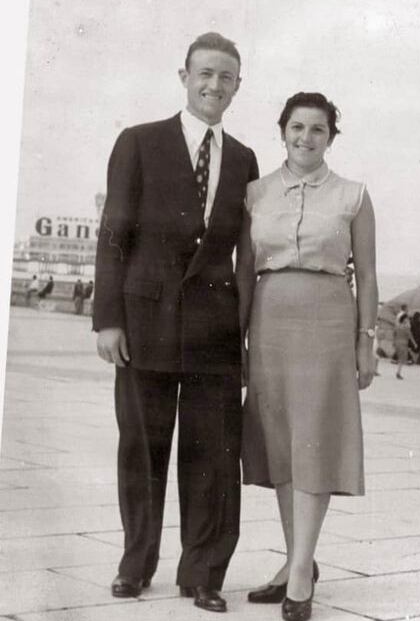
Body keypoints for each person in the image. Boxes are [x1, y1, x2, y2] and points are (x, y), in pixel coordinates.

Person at [93, 32, 258, 613]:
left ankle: (203, 572)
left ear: (239, 86)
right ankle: (136, 563)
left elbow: (243, 254)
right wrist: (107, 319)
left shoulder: (243, 159)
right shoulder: (138, 142)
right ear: (184, 76)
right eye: (206, 73)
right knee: (141, 447)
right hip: (143, 322)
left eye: (227, 78)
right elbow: (114, 235)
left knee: (213, 454)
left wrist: (243, 335)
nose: (215, 85)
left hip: (214, 331)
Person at [237, 92, 378, 621]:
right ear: (282, 131)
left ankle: (299, 575)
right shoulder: (255, 193)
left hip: (327, 324)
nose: (306, 138)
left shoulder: (353, 196)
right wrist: (240, 342)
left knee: (314, 443)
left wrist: (366, 343)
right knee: (280, 445)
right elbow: (245, 273)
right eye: (297, 127)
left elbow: (365, 275)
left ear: (331, 137)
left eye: (318, 130)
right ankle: (298, 560)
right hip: (269, 325)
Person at [394, 314, 417, 379]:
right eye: (407, 318)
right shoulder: (406, 327)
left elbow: (394, 334)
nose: (408, 320)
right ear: (404, 319)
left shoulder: (397, 326)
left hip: (397, 343)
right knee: (401, 359)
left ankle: (398, 372)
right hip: (403, 343)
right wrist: (414, 343)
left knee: (400, 358)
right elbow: (410, 336)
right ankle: (398, 373)